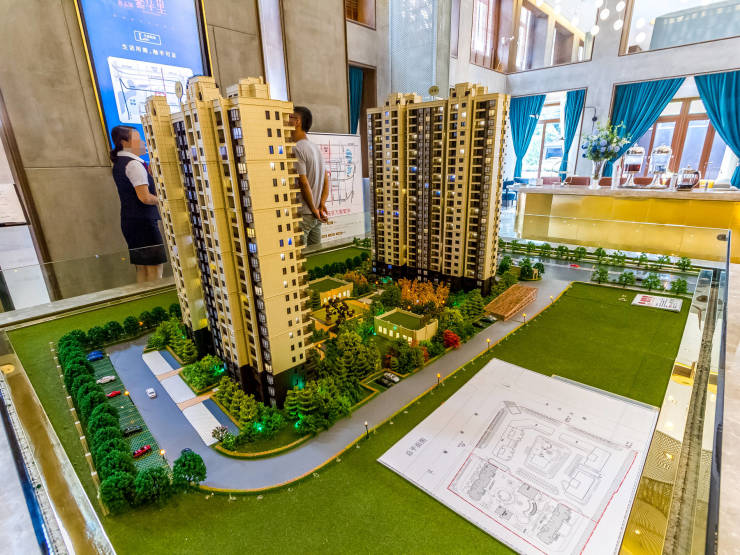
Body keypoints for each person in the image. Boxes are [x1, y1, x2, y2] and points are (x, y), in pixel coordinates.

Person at [109, 125, 167, 283]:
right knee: (154, 268)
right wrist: (165, 201)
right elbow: (145, 198)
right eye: (138, 139)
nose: (142, 143)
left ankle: (145, 297)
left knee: (142, 268)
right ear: (125, 142)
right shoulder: (134, 164)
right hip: (144, 224)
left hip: (130, 222)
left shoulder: (120, 163)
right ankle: (156, 296)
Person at [290, 106, 329, 247]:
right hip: (316, 213)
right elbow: (326, 180)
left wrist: (313, 209)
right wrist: (321, 204)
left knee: (301, 256)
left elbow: (303, 182)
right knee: (316, 254)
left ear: (297, 122)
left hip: (305, 213)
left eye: (290, 117)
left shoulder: (297, 148)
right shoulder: (315, 147)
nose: (285, 121)